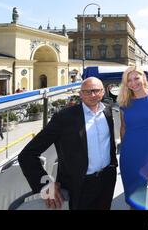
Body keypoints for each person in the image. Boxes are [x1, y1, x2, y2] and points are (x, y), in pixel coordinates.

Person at [18, 77, 117, 210]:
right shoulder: (64, 118)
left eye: (96, 90)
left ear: (103, 92)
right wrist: (45, 185)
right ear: (80, 94)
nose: (92, 95)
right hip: (79, 186)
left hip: (107, 180)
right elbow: (27, 155)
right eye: (87, 92)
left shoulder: (108, 111)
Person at [117, 66, 148, 210]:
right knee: (132, 193)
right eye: (129, 80)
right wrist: (123, 149)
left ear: (143, 78)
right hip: (128, 154)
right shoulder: (124, 102)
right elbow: (123, 128)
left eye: (136, 78)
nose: (133, 83)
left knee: (147, 192)